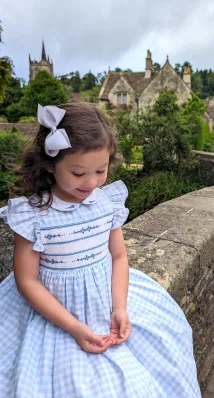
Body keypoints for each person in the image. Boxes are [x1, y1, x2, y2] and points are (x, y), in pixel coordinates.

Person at [0, 102, 202, 397]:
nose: (92, 182)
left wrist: (119, 308)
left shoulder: (104, 202)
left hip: (107, 300)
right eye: (79, 173)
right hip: (57, 314)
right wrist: (74, 328)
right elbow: (27, 281)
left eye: (100, 170)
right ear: (50, 165)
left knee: (169, 343)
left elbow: (119, 257)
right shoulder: (34, 215)